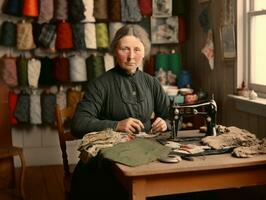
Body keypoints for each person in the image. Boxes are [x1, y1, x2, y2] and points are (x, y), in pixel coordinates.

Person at [69, 24, 170, 200]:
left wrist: (165, 122)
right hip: (107, 161)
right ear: (115, 50)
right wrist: (117, 125)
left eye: (137, 49)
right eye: (125, 49)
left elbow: (171, 116)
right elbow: (78, 124)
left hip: (145, 154)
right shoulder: (100, 84)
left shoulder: (152, 83)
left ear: (144, 52)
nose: (131, 56)